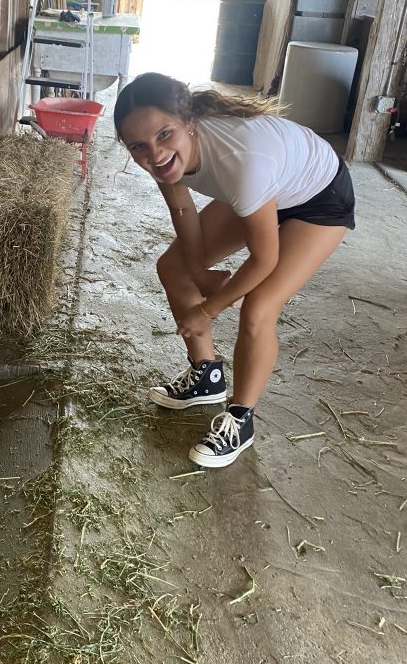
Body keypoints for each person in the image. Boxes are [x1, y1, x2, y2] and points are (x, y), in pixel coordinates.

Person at [113, 72, 355, 469]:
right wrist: (197, 269)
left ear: (188, 123)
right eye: (137, 146)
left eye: (164, 135)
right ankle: (206, 374)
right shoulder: (165, 157)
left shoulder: (240, 162)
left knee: (258, 307)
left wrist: (208, 309)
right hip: (269, 187)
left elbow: (265, 259)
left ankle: (241, 419)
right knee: (172, 267)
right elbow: (182, 208)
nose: (154, 155)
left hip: (319, 199)